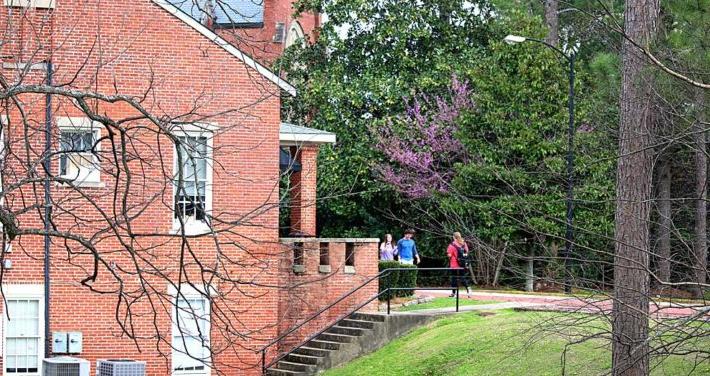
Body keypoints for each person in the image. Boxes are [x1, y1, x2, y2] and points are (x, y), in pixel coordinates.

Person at [447, 232, 471, 297]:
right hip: (462, 264)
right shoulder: (464, 243)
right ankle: (468, 289)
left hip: (454, 264)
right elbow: (467, 252)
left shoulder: (452, 245)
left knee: (454, 278)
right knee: (463, 278)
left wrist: (451, 255)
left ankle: (454, 293)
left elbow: (449, 255)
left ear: (453, 237)